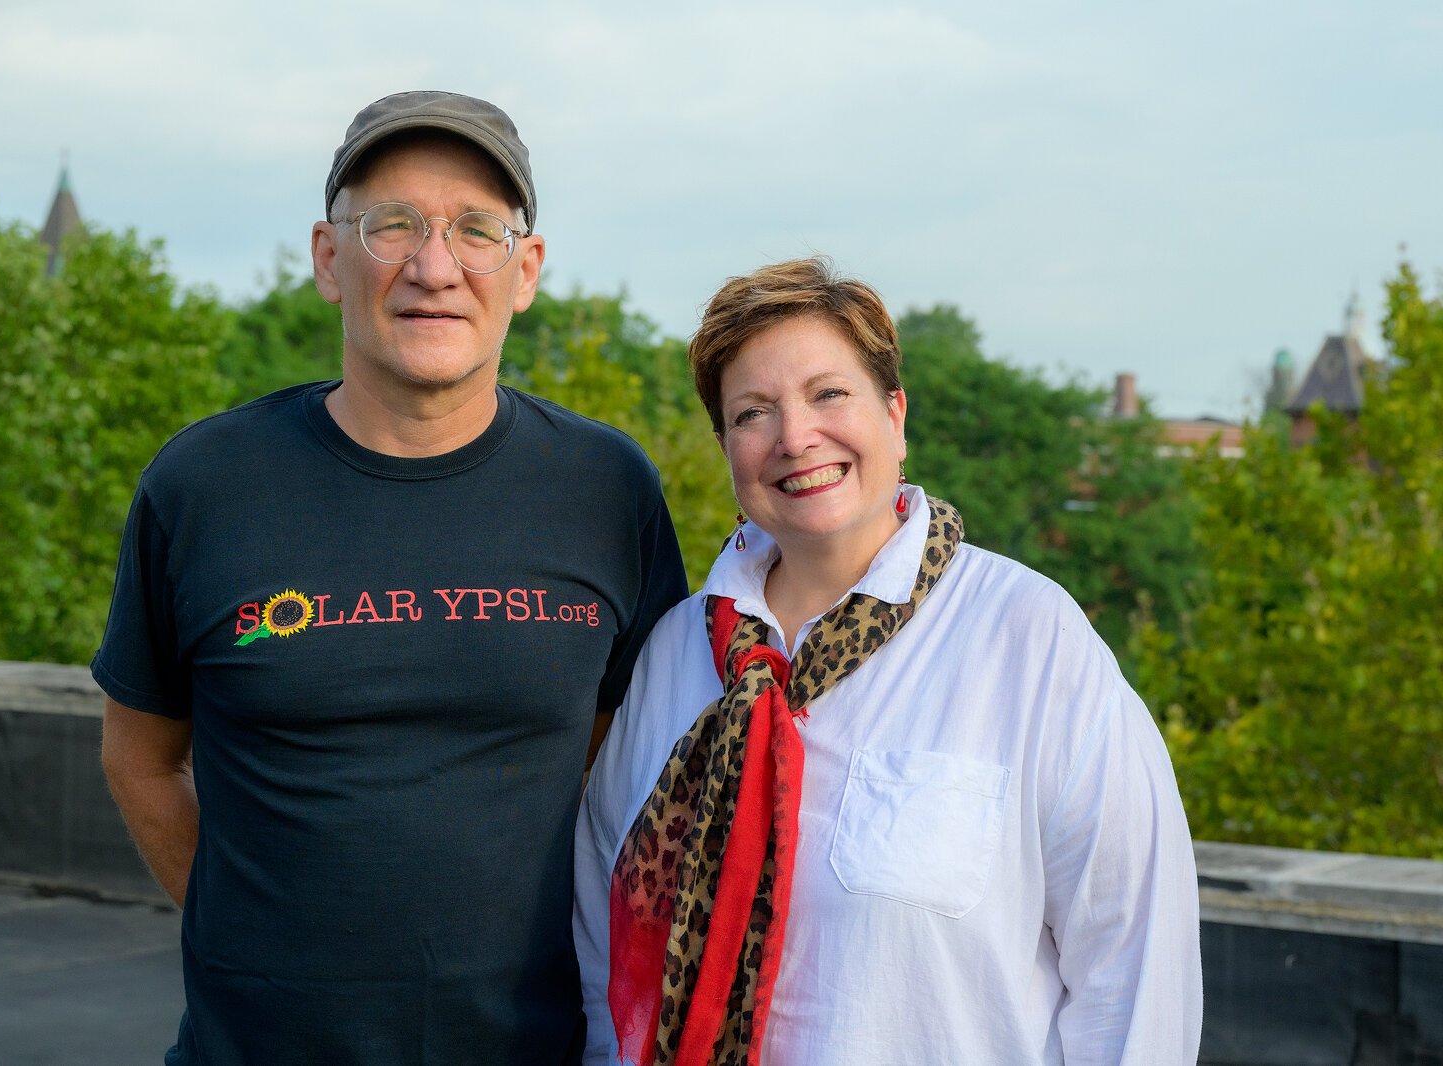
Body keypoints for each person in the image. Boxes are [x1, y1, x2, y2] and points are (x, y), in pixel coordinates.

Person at [94, 90, 687, 1065]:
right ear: (329, 257)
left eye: (476, 231)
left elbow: (628, 758)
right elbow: (140, 756)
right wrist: (245, 932)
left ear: (525, 269)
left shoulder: (605, 488)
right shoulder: (203, 485)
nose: (434, 266)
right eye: (393, 225)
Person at [574, 258, 1202, 1065]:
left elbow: (1135, 971)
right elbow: (601, 939)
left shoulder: (1027, 637)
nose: (795, 436)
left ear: (896, 415)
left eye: (829, 393)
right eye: (753, 413)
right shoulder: (675, 656)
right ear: (728, 448)